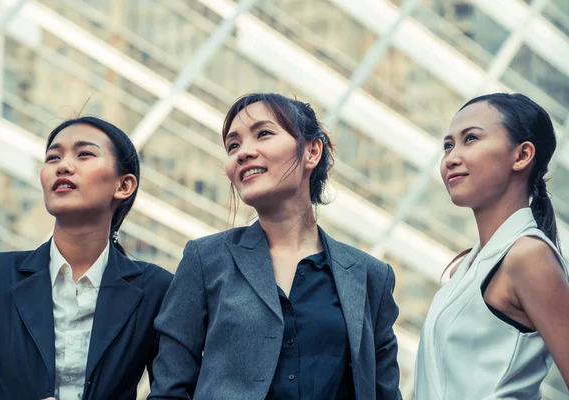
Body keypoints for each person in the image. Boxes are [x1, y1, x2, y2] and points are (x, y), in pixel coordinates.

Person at [148, 93, 402, 400]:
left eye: (263, 134)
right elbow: (169, 389)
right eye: (233, 145)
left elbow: (384, 391)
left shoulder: (369, 275)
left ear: (312, 151)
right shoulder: (205, 260)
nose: (243, 153)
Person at [0, 116, 173, 399]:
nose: (63, 166)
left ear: (124, 186)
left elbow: (174, 392)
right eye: (53, 157)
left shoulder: (156, 289)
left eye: (85, 154)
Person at [415, 93, 569, 399]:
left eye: (470, 138)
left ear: (522, 155)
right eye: (448, 145)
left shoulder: (527, 255)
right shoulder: (466, 267)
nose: (451, 157)